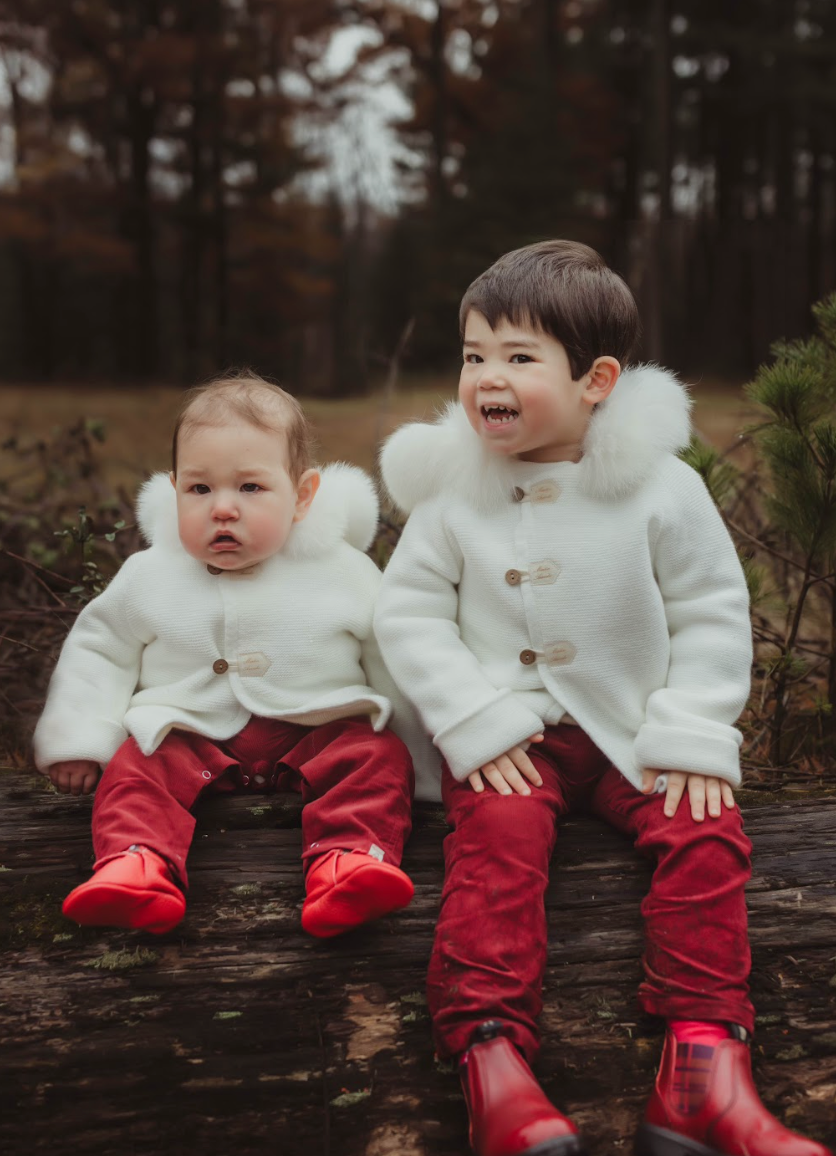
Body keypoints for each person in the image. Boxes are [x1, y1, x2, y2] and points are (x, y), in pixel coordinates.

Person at [373, 241, 831, 1156]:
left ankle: (702, 1071)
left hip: (635, 732)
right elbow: (410, 612)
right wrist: (469, 716)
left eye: (517, 357)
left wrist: (694, 727)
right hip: (510, 736)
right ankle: (492, 1060)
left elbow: (709, 610)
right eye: (472, 356)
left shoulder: (663, 489)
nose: (485, 378)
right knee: (495, 846)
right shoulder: (454, 498)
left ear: (597, 380)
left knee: (705, 834)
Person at [34, 371, 416, 940]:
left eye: (251, 488)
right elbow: (100, 650)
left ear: (302, 495)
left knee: (376, 755)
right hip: (190, 734)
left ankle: (348, 859)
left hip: (315, 731)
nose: (223, 509)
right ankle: (137, 863)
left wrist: (429, 749)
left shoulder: (343, 572)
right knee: (136, 766)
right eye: (200, 489)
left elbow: (395, 657)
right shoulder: (150, 575)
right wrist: (78, 737)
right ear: (173, 489)